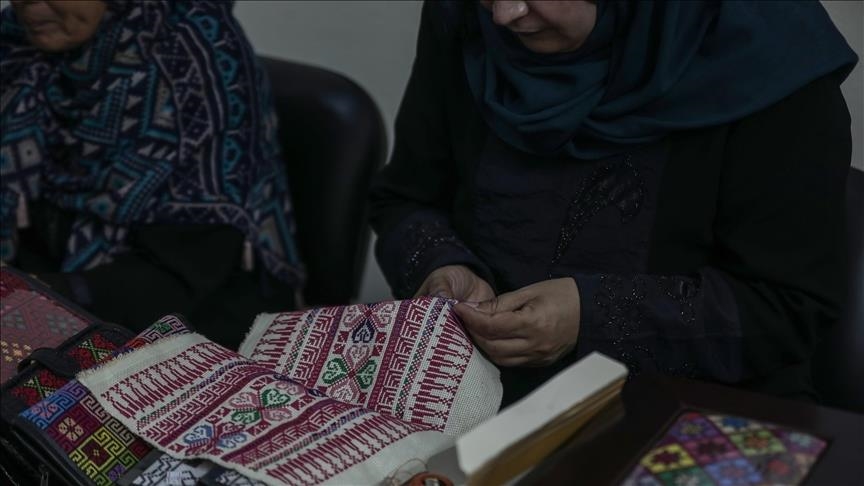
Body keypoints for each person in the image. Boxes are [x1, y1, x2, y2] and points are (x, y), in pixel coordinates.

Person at [370, 0, 858, 407]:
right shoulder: (465, 17)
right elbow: (405, 199)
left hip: (690, 409)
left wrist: (590, 316)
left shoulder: (769, 61)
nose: (505, 14)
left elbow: (786, 309)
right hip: (479, 395)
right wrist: (442, 266)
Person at [0, 0, 303, 349]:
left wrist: (28, 294)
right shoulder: (17, 43)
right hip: (49, 284)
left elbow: (182, 276)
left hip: (188, 316)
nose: (27, 4)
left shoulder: (195, 58)